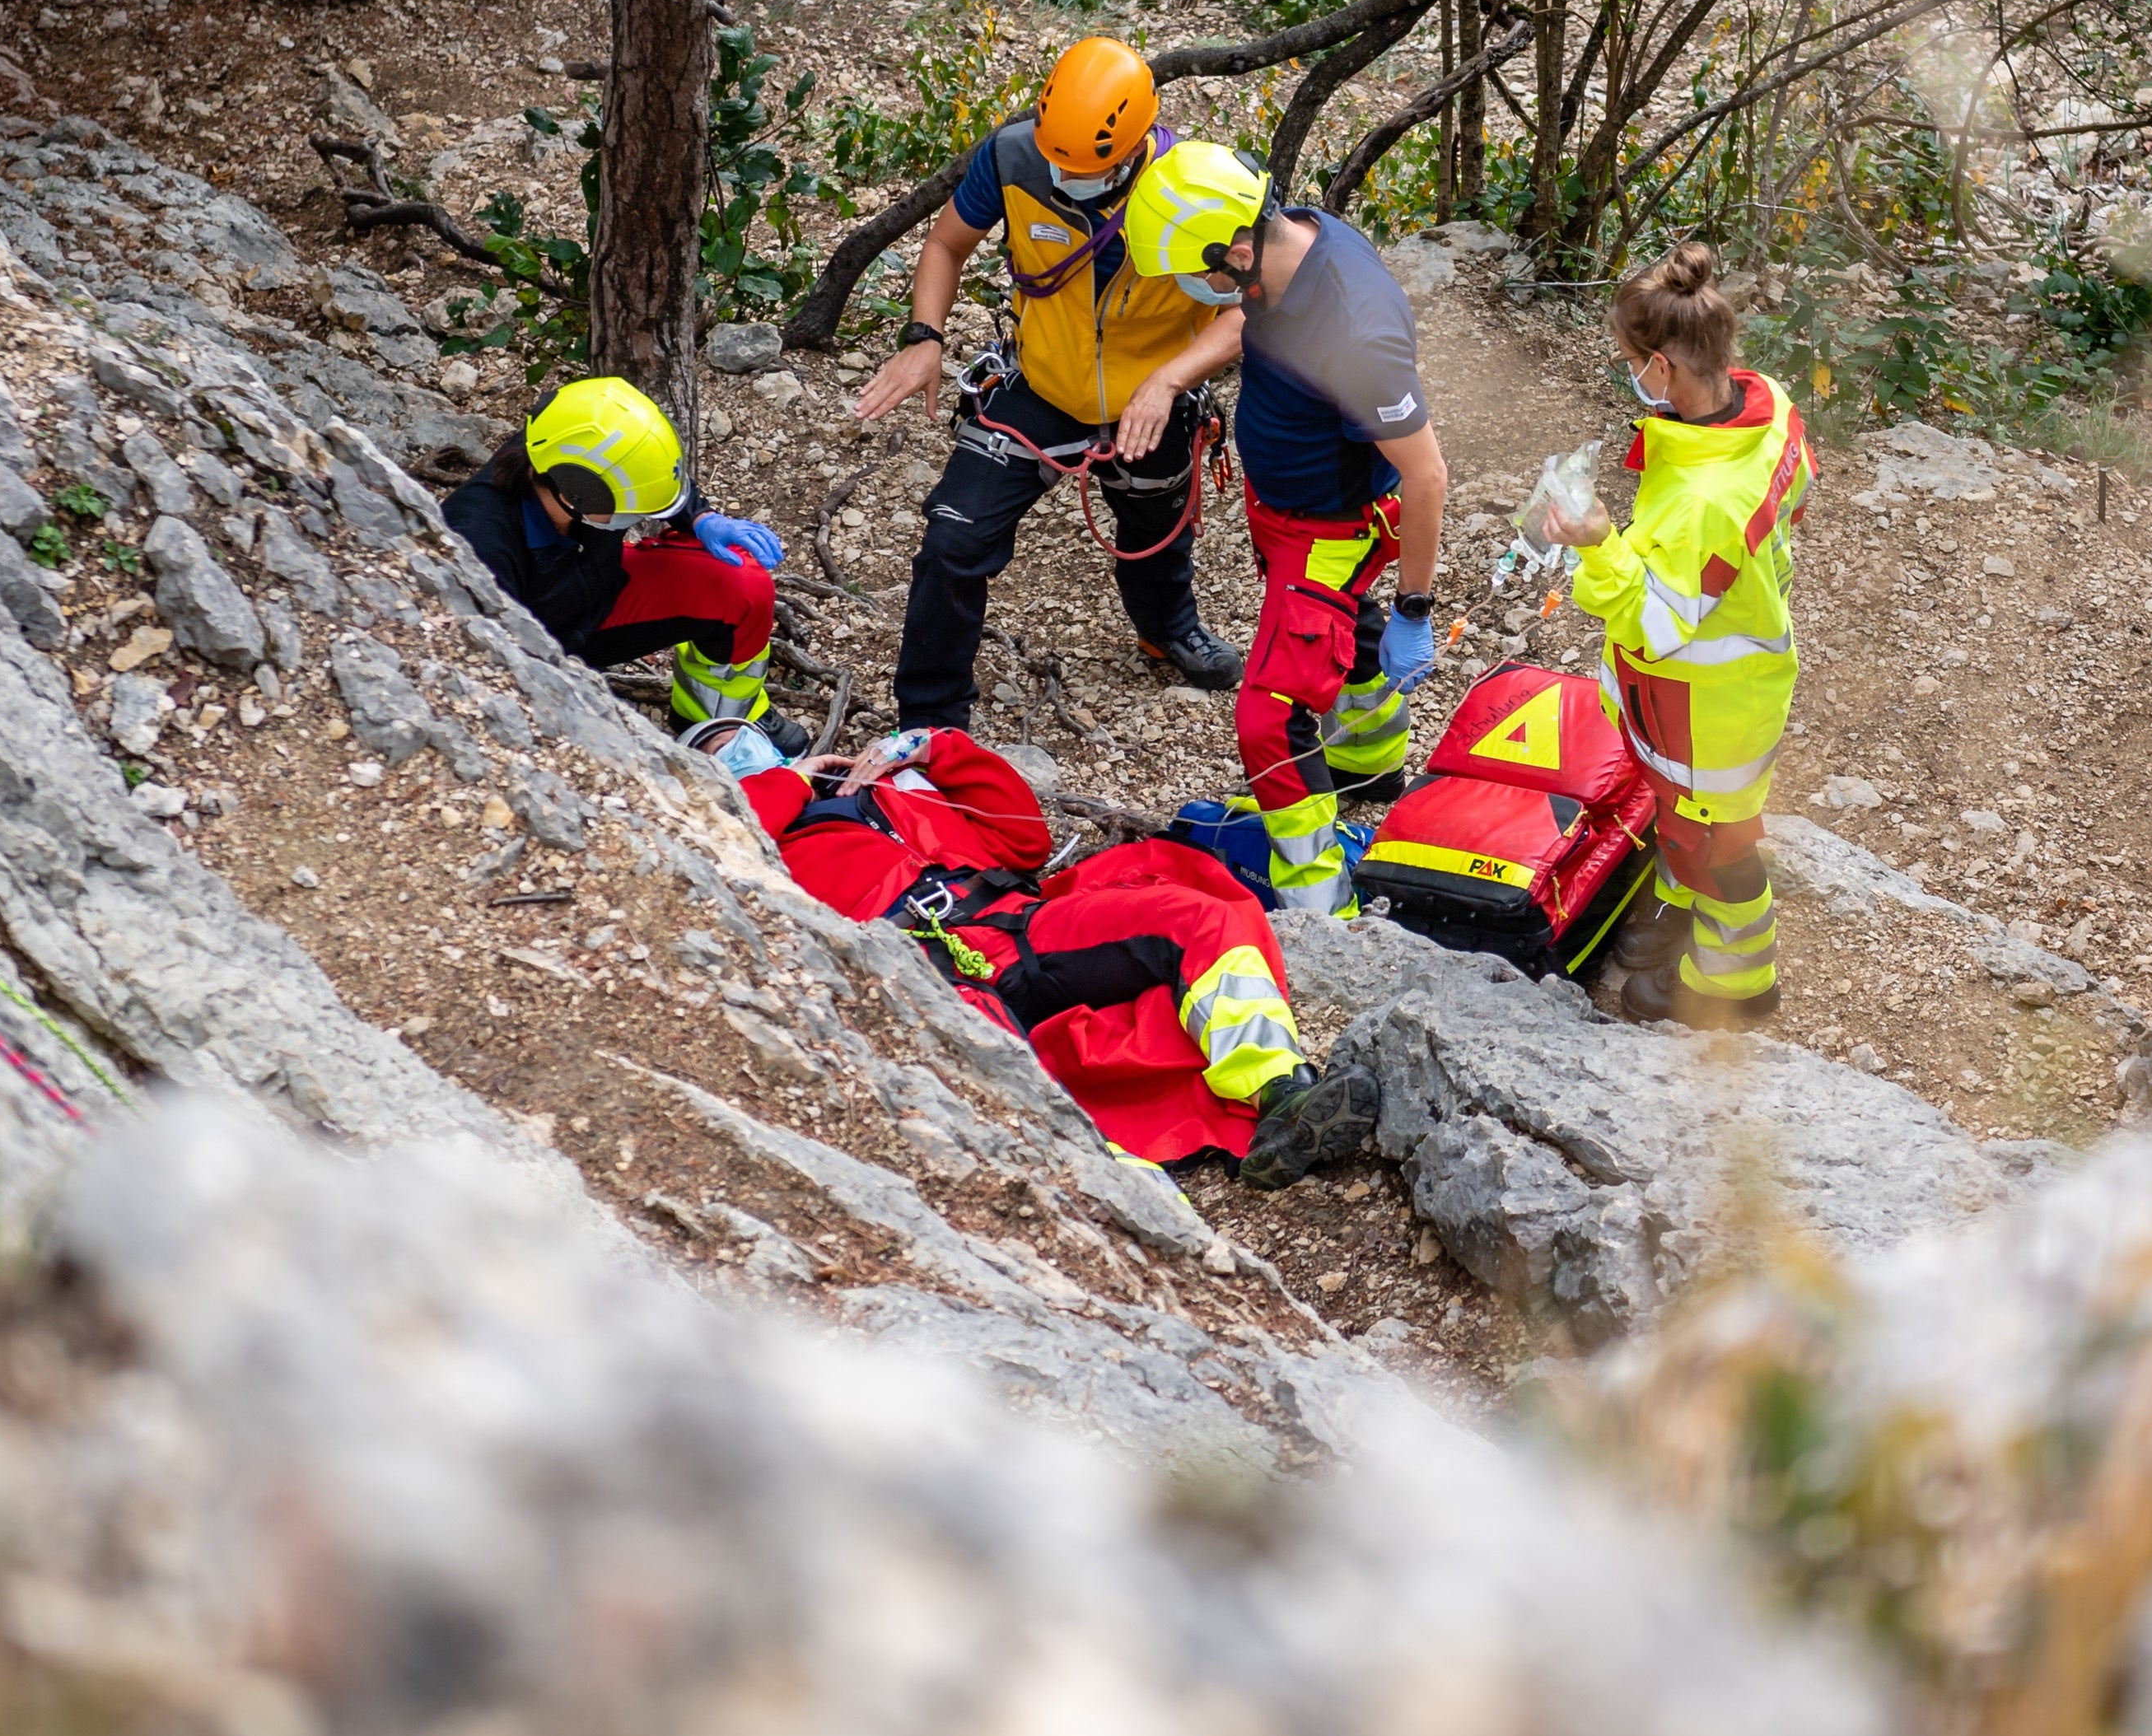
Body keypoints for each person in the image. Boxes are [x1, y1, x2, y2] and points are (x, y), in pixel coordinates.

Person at [695, 718, 1361, 1179]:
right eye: (718, 757)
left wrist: (933, 749)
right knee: (987, 1060)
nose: (736, 758)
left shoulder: (888, 792)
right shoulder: (754, 841)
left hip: (1013, 923)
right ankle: (1118, 1185)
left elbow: (1025, 839)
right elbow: (714, 827)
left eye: (741, 744)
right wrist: (786, 783)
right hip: (906, 964)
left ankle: (1279, 1088)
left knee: (1198, 920)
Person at [849, 37, 1245, 724]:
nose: (1063, 176)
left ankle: (1167, 627)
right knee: (953, 537)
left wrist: (1170, 381)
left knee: (1156, 525)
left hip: (1152, 392)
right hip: (1040, 386)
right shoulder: (1013, 157)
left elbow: (1249, 308)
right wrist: (924, 338)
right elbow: (946, 244)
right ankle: (930, 719)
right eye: (1055, 156)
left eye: (1084, 165)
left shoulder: (1196, 190)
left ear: (1135, 144)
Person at [1117, 141, 1448, 916]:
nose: (1198, 292)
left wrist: (1416, 610)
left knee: (1268, 719)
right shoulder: (1292, 238)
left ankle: (1318, 904)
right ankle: (1371, 764)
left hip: (1328, 530)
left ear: (1234, 249)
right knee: (1341, 638)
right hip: (1290, 511)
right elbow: (1245, 319)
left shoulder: (1355, 330)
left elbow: (1428, 474)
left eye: (1197, 276)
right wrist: (1169, 378)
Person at [1532, 244, 1810, 1029]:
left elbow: (1655, 625)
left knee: (1718, 842)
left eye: (1631, 363)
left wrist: (1598, 541)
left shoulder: (1703, 501)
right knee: (1693, 823)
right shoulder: (1767, 405)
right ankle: (1683, 891)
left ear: (1661, 365)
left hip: (1704, 705)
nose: (1632, 379)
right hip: (1739, 675)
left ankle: (1735, 978)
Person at [441, 376, 802, 746]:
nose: (638, 517)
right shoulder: (477, 544)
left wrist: (700, 517)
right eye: (630, 509)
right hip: (541, 637)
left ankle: (719, 720)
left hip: (600, 590)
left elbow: (647, 478)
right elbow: (490, 664)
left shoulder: (563, 447)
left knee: (741, 585)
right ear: (577, 497)